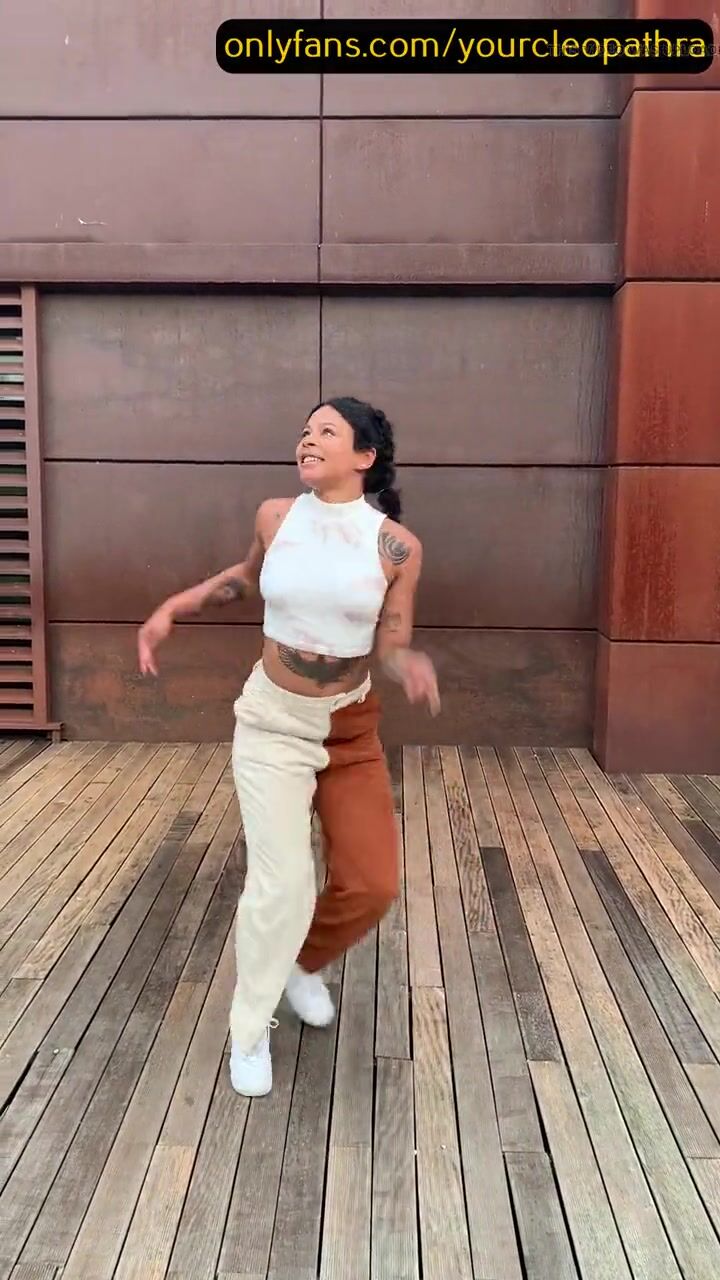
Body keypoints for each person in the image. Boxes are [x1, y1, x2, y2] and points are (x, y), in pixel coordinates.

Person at [137, 396, 440, 1096]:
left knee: (372, 883)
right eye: (305, 431)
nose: (308, 440)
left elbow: (391, 639)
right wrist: (172, 608)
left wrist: (409, 663)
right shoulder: (276, 518)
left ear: (363, 456)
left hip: (350, 729)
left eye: (326, 432)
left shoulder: (396, 547)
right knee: (283, 884)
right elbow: (244, 579)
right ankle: (249, 1031)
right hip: (273, 723)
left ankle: (300, 963)